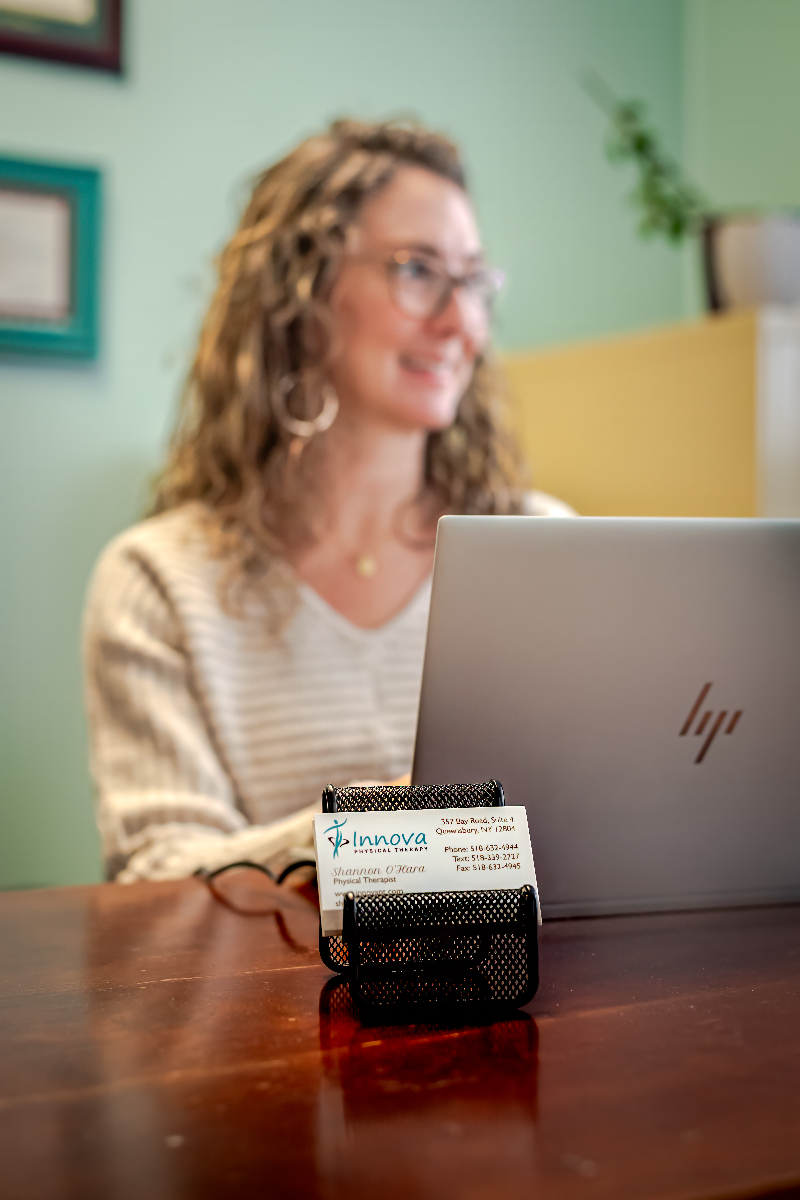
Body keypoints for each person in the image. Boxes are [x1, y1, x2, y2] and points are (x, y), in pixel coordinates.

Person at [83, 118, 573, 883]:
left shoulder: (547, 549)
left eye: (475, 281)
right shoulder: (156, 582)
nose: (462, 323)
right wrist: (363, 835)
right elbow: (158, 874)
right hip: (281, 972)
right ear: (300, 295)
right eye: (418, 270)